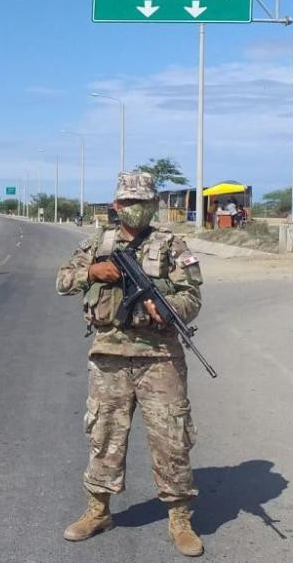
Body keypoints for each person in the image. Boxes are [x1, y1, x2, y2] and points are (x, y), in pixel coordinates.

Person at [55, 171, 205, 557]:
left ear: (154, 205)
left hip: (160, 358)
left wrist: (169, 311)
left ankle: (179, 518)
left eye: (143, 202)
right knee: (104, 436)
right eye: (128, 202)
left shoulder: (171, 244)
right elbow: (62, 281)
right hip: (109, 356)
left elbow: (192, 297)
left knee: (172, 438)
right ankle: (98, 510)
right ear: (116, 205)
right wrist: (93, 271)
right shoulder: (97, 244)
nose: (135, 209)